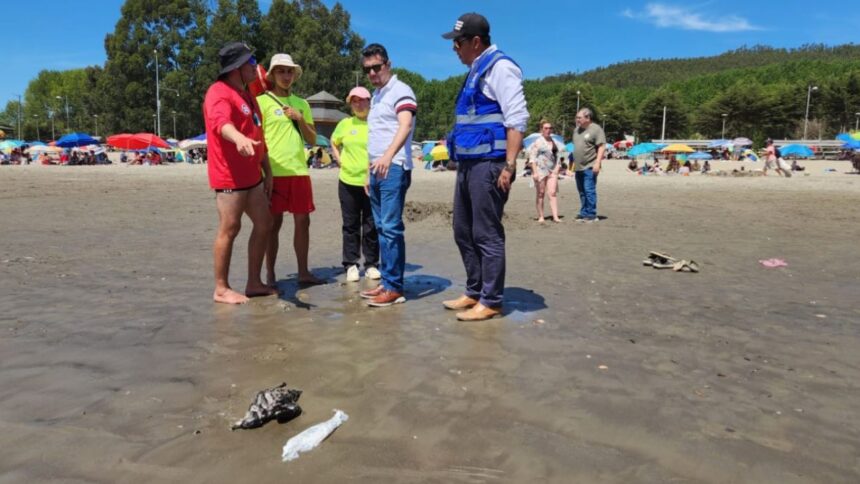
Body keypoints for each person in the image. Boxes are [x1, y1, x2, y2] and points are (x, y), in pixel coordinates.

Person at [440, 13, 529, 321]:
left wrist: (509, 165)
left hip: (490, 164)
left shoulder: (501, 68)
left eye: (458, 43)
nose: (455, 49)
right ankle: (475, 290)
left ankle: (491, 300)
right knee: (462, 230)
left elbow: (516, 119)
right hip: (468, 164)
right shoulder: (475, 71)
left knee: (486, 233)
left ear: (476, 42)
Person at [203, 41, 275, 304]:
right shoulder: (218, 92)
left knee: (265, 223)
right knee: (230, 227)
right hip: (229, 176)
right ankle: (221, 288)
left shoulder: (247, 95)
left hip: (253, 177)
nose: (256, 67)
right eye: (251, 62)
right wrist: (238, 138)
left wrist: (268, 171)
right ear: (236, 68)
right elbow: (221, 123)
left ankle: (254, 282)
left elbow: (258, 135)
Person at [256, 53, 324, 286]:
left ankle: (303, 272)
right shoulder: (262, 102)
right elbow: (259, 139)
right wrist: (264, 172)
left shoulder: (302, 103)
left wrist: (300, 119)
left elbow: (313, 139)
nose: (286, 76)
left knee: (303, 222)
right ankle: (270, 275)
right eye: (281, 71)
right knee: (272, 225)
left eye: (289, 71)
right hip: (273, 171)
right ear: (272, 74)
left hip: (299, 171)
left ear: (295, 75)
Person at [358, 43, 417, 307]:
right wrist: (367, 171)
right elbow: (375, 136)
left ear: (388, 65)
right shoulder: (377, 96)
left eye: (376, 67)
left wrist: (388, 156)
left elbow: (406, 125)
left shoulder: (401, 90)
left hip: (393, 166)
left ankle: (394, 287)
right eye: (367, 69)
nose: (372, 73)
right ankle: (388, 281)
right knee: (381, 227)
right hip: (375, 169)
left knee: (391, 227)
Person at [330, 86, 381, 283]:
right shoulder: (345, 123)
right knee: (350, 225)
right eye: (354, 101)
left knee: (371, 224)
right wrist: (339, 159)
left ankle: (371, 264)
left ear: (369, 102)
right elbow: (334, 142)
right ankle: (351, 264)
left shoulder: (376, 123)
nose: (358, 104)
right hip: (347, 181)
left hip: (372, 181)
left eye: (362, 100)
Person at [571, 108, 606, 222]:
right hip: (578, 167)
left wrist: (597, 163)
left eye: (579, 117)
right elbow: (576, 148)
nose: (577, 120)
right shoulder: (576, 130)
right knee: (581, 191)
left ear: (588, 118)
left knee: (589, 190)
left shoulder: (596, 129)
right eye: (576, 117)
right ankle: (584, 212)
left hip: (590, 166)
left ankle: (591, 214)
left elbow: (601, 146)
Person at [527, 119, 563, 223]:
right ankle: (541, 216)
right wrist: (535, 172)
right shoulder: (537, 142)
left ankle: (555, 216)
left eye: (550, 128)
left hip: (553, 171)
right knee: (540, 193)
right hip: (540, 170)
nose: (548, 130)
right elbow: (532, 158)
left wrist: (557, 167)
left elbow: (559, 156)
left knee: (552, 193)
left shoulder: (555, 142)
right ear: (541, 130)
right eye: (546, 128)